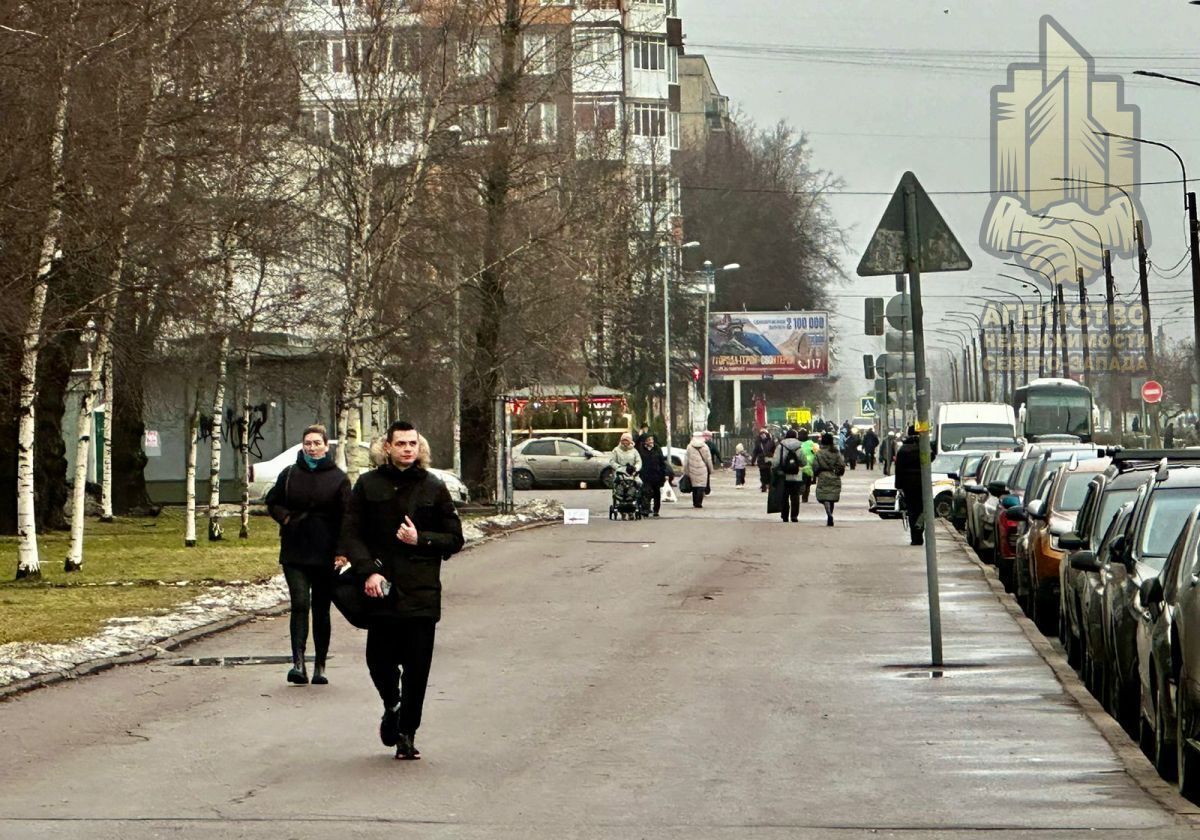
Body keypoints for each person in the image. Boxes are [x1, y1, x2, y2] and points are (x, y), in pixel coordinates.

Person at [339, 420, 465, 761]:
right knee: (378, 661)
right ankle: (391, 704)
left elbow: (455, 538)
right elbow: (351, 535)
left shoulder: (433, 487)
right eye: (401, 444)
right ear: (388, 448)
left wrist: (420, 539)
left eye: (413, 443)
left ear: (419, 448)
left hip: (422, 592)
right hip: (382, 589)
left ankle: (407, 733)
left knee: (417, 668)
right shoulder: (368, 485)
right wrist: (368, 571)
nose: (408, 449)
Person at [265, 424, 351, 686]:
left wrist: (342, 551)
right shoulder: (290, 473)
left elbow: (347, 518)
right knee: (300, 604)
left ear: (326, 446)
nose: (312, 447)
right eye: (308, 443)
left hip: (325, 553)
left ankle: (320, 666)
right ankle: (298, 664)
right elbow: (272, 501)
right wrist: (286, 517)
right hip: (295, 550)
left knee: (321, 608)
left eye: (317, 443)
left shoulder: (338, 478)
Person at [894, 427, 924, 546]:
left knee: (911, 511)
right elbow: (932, 458)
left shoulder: (903, 449)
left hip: (908, 485)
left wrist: (899, 485)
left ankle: (915, 538)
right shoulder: (923, 448)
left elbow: (898, 469)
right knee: (922, 510)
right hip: (922, 484)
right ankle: (920, 532)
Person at [772, 429, 808, 522]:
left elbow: (775, 462)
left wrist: (775, 470)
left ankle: (785, 516)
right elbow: (804, 462)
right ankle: (794, 516)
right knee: (795, 496)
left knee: (784, 496)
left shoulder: (781, 446)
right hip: (796, 475)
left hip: (783, 475)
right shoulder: (799, 446)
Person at [812, 432, 845, 526]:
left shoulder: (819, 453)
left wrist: (816, 473)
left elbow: (815, 465)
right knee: (832, 497)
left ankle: (828, 513)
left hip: (823, 475)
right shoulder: (836, 453)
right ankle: (830, 514)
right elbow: (841, 464)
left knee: (824, 497)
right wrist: (838, 472)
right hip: (834, 475)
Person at [638, 434, 673, 517]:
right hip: (645, 475)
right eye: (649, 439)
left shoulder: (657, 448)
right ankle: (645, 510)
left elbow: (662, 461)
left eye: (651, 439)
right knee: (646, 492)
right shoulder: (640, 449)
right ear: (644, 441)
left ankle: (656, 510)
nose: (651, 441)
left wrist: (665, 473)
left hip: (657, 475)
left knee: (656, 493)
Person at [684, 433, 714, 508]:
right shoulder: (705, 447)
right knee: (701, 486)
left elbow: (686, 460)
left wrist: (686, 470)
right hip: (703, 469)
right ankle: (699, 502)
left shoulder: (689, 447)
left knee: (694, 487)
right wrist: (711, 469)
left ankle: (695, 502)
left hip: (692, 469)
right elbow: (708, 460)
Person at [797, 428, 818, 503]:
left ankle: (801, 494)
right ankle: (805, 497)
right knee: (807, 484)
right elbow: (816, 455)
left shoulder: (796, 444)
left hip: (798, 468)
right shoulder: (812, 444)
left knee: (801, 483)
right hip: (809, 468)